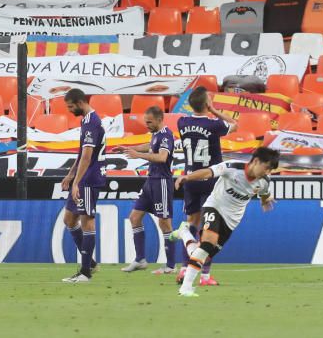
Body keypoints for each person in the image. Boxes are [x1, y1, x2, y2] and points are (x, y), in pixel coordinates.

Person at [172, 147, 279, 297]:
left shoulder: (264, 181)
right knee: (207, 244)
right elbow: (209, 172)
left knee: (202, 253)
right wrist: (187, 177)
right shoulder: (233, 167)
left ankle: (184, 233)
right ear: (256, 161)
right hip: (214, 207)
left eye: (270, 170)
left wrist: (264, 201)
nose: (267, 173)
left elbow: (264, 193)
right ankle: (186, 288)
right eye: (266, 168)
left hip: (231, 221)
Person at [176, 87, 237, 286]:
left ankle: (184, 269)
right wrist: (214, 110)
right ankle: (204, 276)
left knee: (190, 224)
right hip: (211, 180)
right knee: (209, 229)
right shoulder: (214, 124)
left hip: (191, 179)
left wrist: (204, 106)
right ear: (207, 104)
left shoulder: (182, 122)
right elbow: (234, 124)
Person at [118, 106, 176, 274]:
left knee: (165, 223)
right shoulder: (156, 135)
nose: (147, 125)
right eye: (146, 122)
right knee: (134, 217)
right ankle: (140, 259)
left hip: (162, 183)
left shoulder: (166, 135)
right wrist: (131, 149)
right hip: (151, 181)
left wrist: (138, 156)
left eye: (149, 122)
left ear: (159, 119)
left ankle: (171, 265)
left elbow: (162, 157)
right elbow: (151, 145)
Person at [60, 89, 105, 283]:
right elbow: (81, 153)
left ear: (79, 102)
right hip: (82, 177)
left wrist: (77, 182)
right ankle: (91, 263)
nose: (69, 110)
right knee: (69, 220)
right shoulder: (86, 121)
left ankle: (85, 272)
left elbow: (87, 156)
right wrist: (70, 176)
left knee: (87, 220)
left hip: (89, 178)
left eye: (70, 106)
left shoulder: (91, 122)